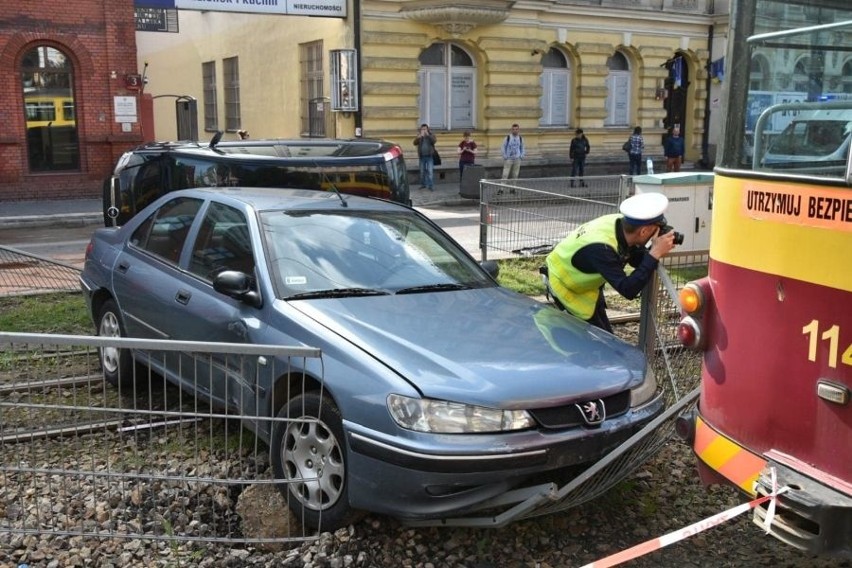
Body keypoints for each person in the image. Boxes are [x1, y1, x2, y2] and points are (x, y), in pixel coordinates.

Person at [544, 192, 677, 333]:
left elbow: (634, 258)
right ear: (644, 231)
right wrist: (655, 253)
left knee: (606, 336)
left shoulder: (622, 224)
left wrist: (653, 252)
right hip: (564, 285)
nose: (658, 233)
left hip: (584, 285)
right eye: (656, 229)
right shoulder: (602, 248)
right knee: (595, 343)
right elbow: (628, 289)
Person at [413, 123, 437, 191]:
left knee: (430, 172)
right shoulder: (419, 136)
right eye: (422, 129)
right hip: (422, 157)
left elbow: (434, 141)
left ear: (427, 129)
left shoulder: (431, 135)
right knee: (422, 172)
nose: (423, 130)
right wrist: (419, 137)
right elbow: (414, 143)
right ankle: (423, 184)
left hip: (429, 157)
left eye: (425, 129)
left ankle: (430, 186)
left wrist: (428, 135)